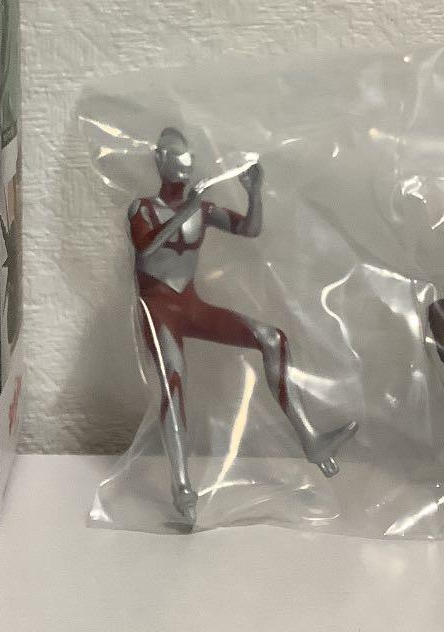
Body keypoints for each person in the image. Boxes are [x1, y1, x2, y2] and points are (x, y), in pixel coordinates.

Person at [128, 127, 357, 523]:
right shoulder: (142, 209)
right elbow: (146, 246)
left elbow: (249, 229)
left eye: (186, 157)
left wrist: (254, 193)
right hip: (158, 309)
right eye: (174, 156)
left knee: (273, 339)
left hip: (189, 305)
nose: (183, 165)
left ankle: (312, 439)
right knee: (173, 383)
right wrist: (186, 210)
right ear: (159, 160)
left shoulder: (202, 209)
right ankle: (181, 485)